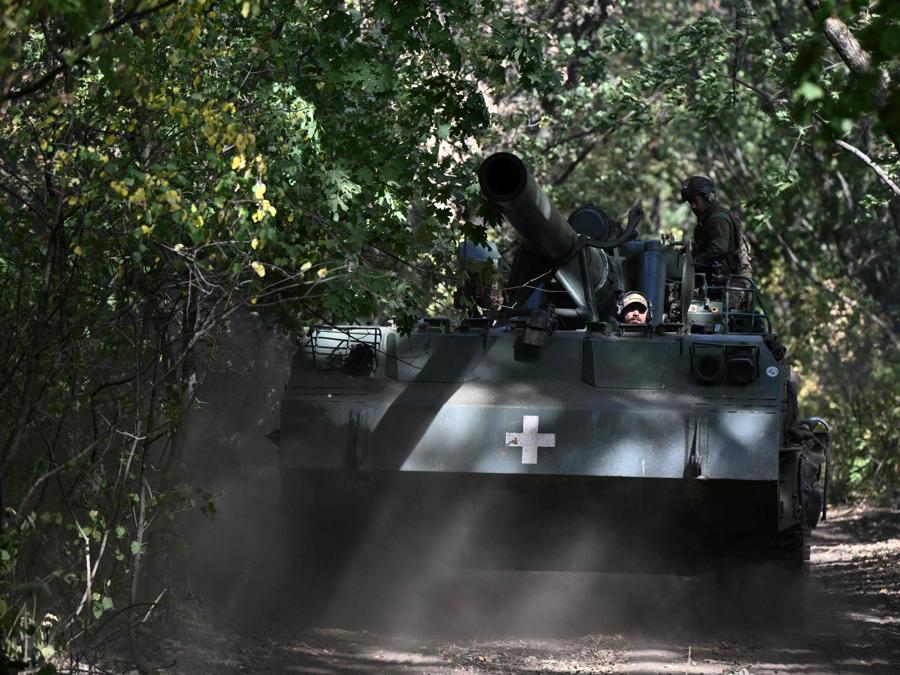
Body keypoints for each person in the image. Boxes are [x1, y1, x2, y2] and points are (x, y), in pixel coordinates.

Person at [680, 175, 752, 281]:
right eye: (691, 203)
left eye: (696, 201)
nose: (693, 206)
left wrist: (693, 263)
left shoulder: (717, 218)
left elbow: (719, 249)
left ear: (708, 198)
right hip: (723, 278)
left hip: (734, 280)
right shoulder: (708, 218)